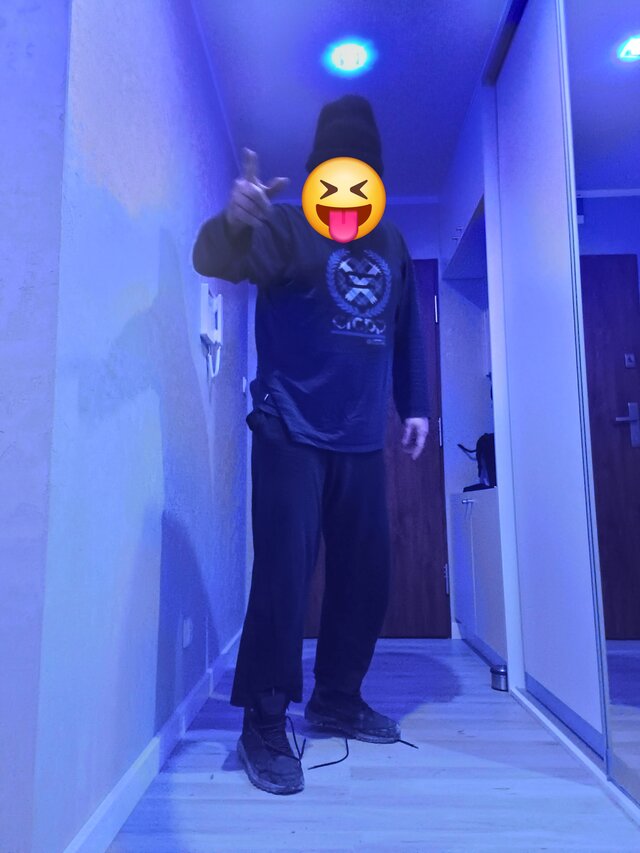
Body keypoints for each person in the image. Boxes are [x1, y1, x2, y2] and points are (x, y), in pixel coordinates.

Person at [192, 94, 430, 796]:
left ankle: (336, 698)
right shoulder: (287, 227)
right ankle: (263, 722)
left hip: (360, 438)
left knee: (367, 574)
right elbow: (215, 258)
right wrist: (233, 222)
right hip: (289, 427)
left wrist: (416, 405)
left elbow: (407, 329)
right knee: (283, 577)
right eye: (336, 168)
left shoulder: (392, 243)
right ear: (318, 170)